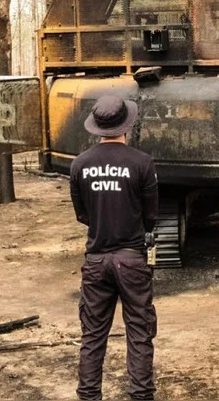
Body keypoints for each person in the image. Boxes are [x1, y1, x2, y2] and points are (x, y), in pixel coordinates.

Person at [69, 94, 159, 401]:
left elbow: (82, 214)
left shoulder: (79, 164)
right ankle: (142, 396)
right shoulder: (142, 163)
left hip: (95, 260)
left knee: (92, 335)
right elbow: (151, 216)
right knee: (140, 333)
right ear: (127, 126)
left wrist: (103, 222)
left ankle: (88, 396)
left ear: (96, 128)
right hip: (132, 259)